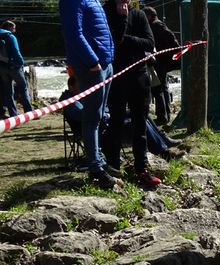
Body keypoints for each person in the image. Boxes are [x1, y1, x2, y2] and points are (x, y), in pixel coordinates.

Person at [59, 0, 121, 189]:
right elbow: (73, 33)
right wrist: (92, 61)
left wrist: (109, 57)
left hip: (104, 63)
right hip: (91, 67)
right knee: (92, 117)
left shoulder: (93, 0)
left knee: (100, 115)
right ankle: (95, 168)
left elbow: (103, 30)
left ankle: (99, 161)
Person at [103, 0, 161, 189]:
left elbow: (150, 42)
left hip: (139, 76)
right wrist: (122, 19)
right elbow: (113, 41)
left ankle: (142, 169)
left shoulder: (139, 14)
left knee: (140, 125)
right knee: (115, 123)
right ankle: (113, 168)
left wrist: (127, 40)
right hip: (117, 77)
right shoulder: (105, 12)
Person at [143, 6, 179, 125]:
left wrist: (170, 53)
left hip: (161, 61)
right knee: (162, 87)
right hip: (160, 60)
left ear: (149, 15)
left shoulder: (157, 25)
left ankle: (162, 116)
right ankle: (165, 115)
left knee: (158, 88)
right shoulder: (155, 25)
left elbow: (171, 38)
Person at [0, 21, 34, 118]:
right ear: (9, 27)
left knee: (8, 91)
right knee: (23, 88)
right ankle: (28, 112)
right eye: (14, 28)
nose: (15, 30)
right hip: (14, 67)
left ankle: (13, 114)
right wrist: (21, 62)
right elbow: (16, 51)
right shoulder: (10, 37)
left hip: (2, 68)